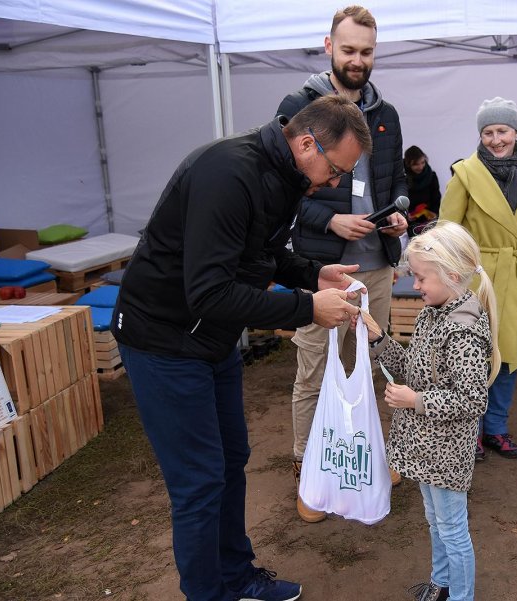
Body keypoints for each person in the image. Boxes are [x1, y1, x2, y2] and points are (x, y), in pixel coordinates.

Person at [111, 95, 372, 601]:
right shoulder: (227, 172)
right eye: (336, 169)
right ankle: (208, 593)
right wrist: (306, 308)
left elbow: (266, 251)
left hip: (210, 338)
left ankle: (236, 577)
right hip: (163, 339)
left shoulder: (286, 175)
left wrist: (310, 273)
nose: (337, 183)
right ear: (304, 142)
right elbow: (208, 290)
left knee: (232, 458)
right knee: (199, 482)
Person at [276, 5, 408, 524]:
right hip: (322, 266)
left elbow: (396, 179)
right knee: (315, 365)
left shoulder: (387, 113)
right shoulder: (298, 105)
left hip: (375, 265)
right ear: (328, 46)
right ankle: (308, 469)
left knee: (372, 364)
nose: (358, 60)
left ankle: (368, 457)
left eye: (367, 52)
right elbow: (284, 188)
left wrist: (398, 217)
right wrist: (329, 224)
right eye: (349, 49)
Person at [359, 221, 499, 601]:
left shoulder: (463, 330)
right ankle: (441, 584)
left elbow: (473, 400)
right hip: (424, 446)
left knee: (452, 527)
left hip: (446, 451)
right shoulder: (431, 313)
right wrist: (378, 338)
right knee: (435, 522)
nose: (415, 285)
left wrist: (416, 401)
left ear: (452, 275)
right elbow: (412, 371)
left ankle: (461, 596)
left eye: (420, 278)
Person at [439, 97, 517, 460]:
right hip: (477, 278)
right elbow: (446, 230)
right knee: (472, 356)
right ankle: (469, 431)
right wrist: (448, 277)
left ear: (516, 132)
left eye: (501, 130)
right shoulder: (466, 175)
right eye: (487, 132)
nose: (495, 139)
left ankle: (496, 429)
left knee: (509, 359)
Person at [404, 145, 441, 235]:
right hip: (409, 224)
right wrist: (406, 216)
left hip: (429, 222)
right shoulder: (402, 179)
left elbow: (436, 198)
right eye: (416, 164)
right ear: (408, 164)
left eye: (422, 162)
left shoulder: (431, 176)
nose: (420, 167)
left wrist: (434, 213)